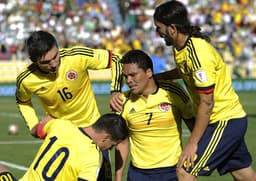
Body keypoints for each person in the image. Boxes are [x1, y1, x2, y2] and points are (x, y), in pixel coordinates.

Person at [153, 1, 256, 180]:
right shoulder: (181, 48)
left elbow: (207, 103)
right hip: (227, 121)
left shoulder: (198, 53)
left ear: (172, 28)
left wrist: (193, 143)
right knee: (243, 174)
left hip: (224, 121)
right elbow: (185, 71)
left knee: (185, 170)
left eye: (158, 28)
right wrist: (157, 78)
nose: (158, 33)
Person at [15, 30, 123, 181]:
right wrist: (33, 125)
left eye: (55, 56)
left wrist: (115, 90)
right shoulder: (26, 80)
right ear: (33, 61)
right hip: (62, 137)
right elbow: (22, 100)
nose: (53, 64)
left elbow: (116, 59)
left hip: (93, 134)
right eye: (46, 62)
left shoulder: (76, 57)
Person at [114, 50, 195, 181]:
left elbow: (195, 129)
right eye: (125, 76)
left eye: (133, 75)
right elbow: (122, 142)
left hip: (173, 171)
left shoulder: (174, 92)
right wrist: (117, 178)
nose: (128, 81)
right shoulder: (122, 101)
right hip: (138, 174)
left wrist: (192, 167)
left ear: (149, 73)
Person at [0, 113, 129, 181]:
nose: (110, 149)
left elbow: (38, 130)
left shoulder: (61, 125)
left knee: (2, 169)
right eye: (112, 145)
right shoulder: (93, 156)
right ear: (105, 138)